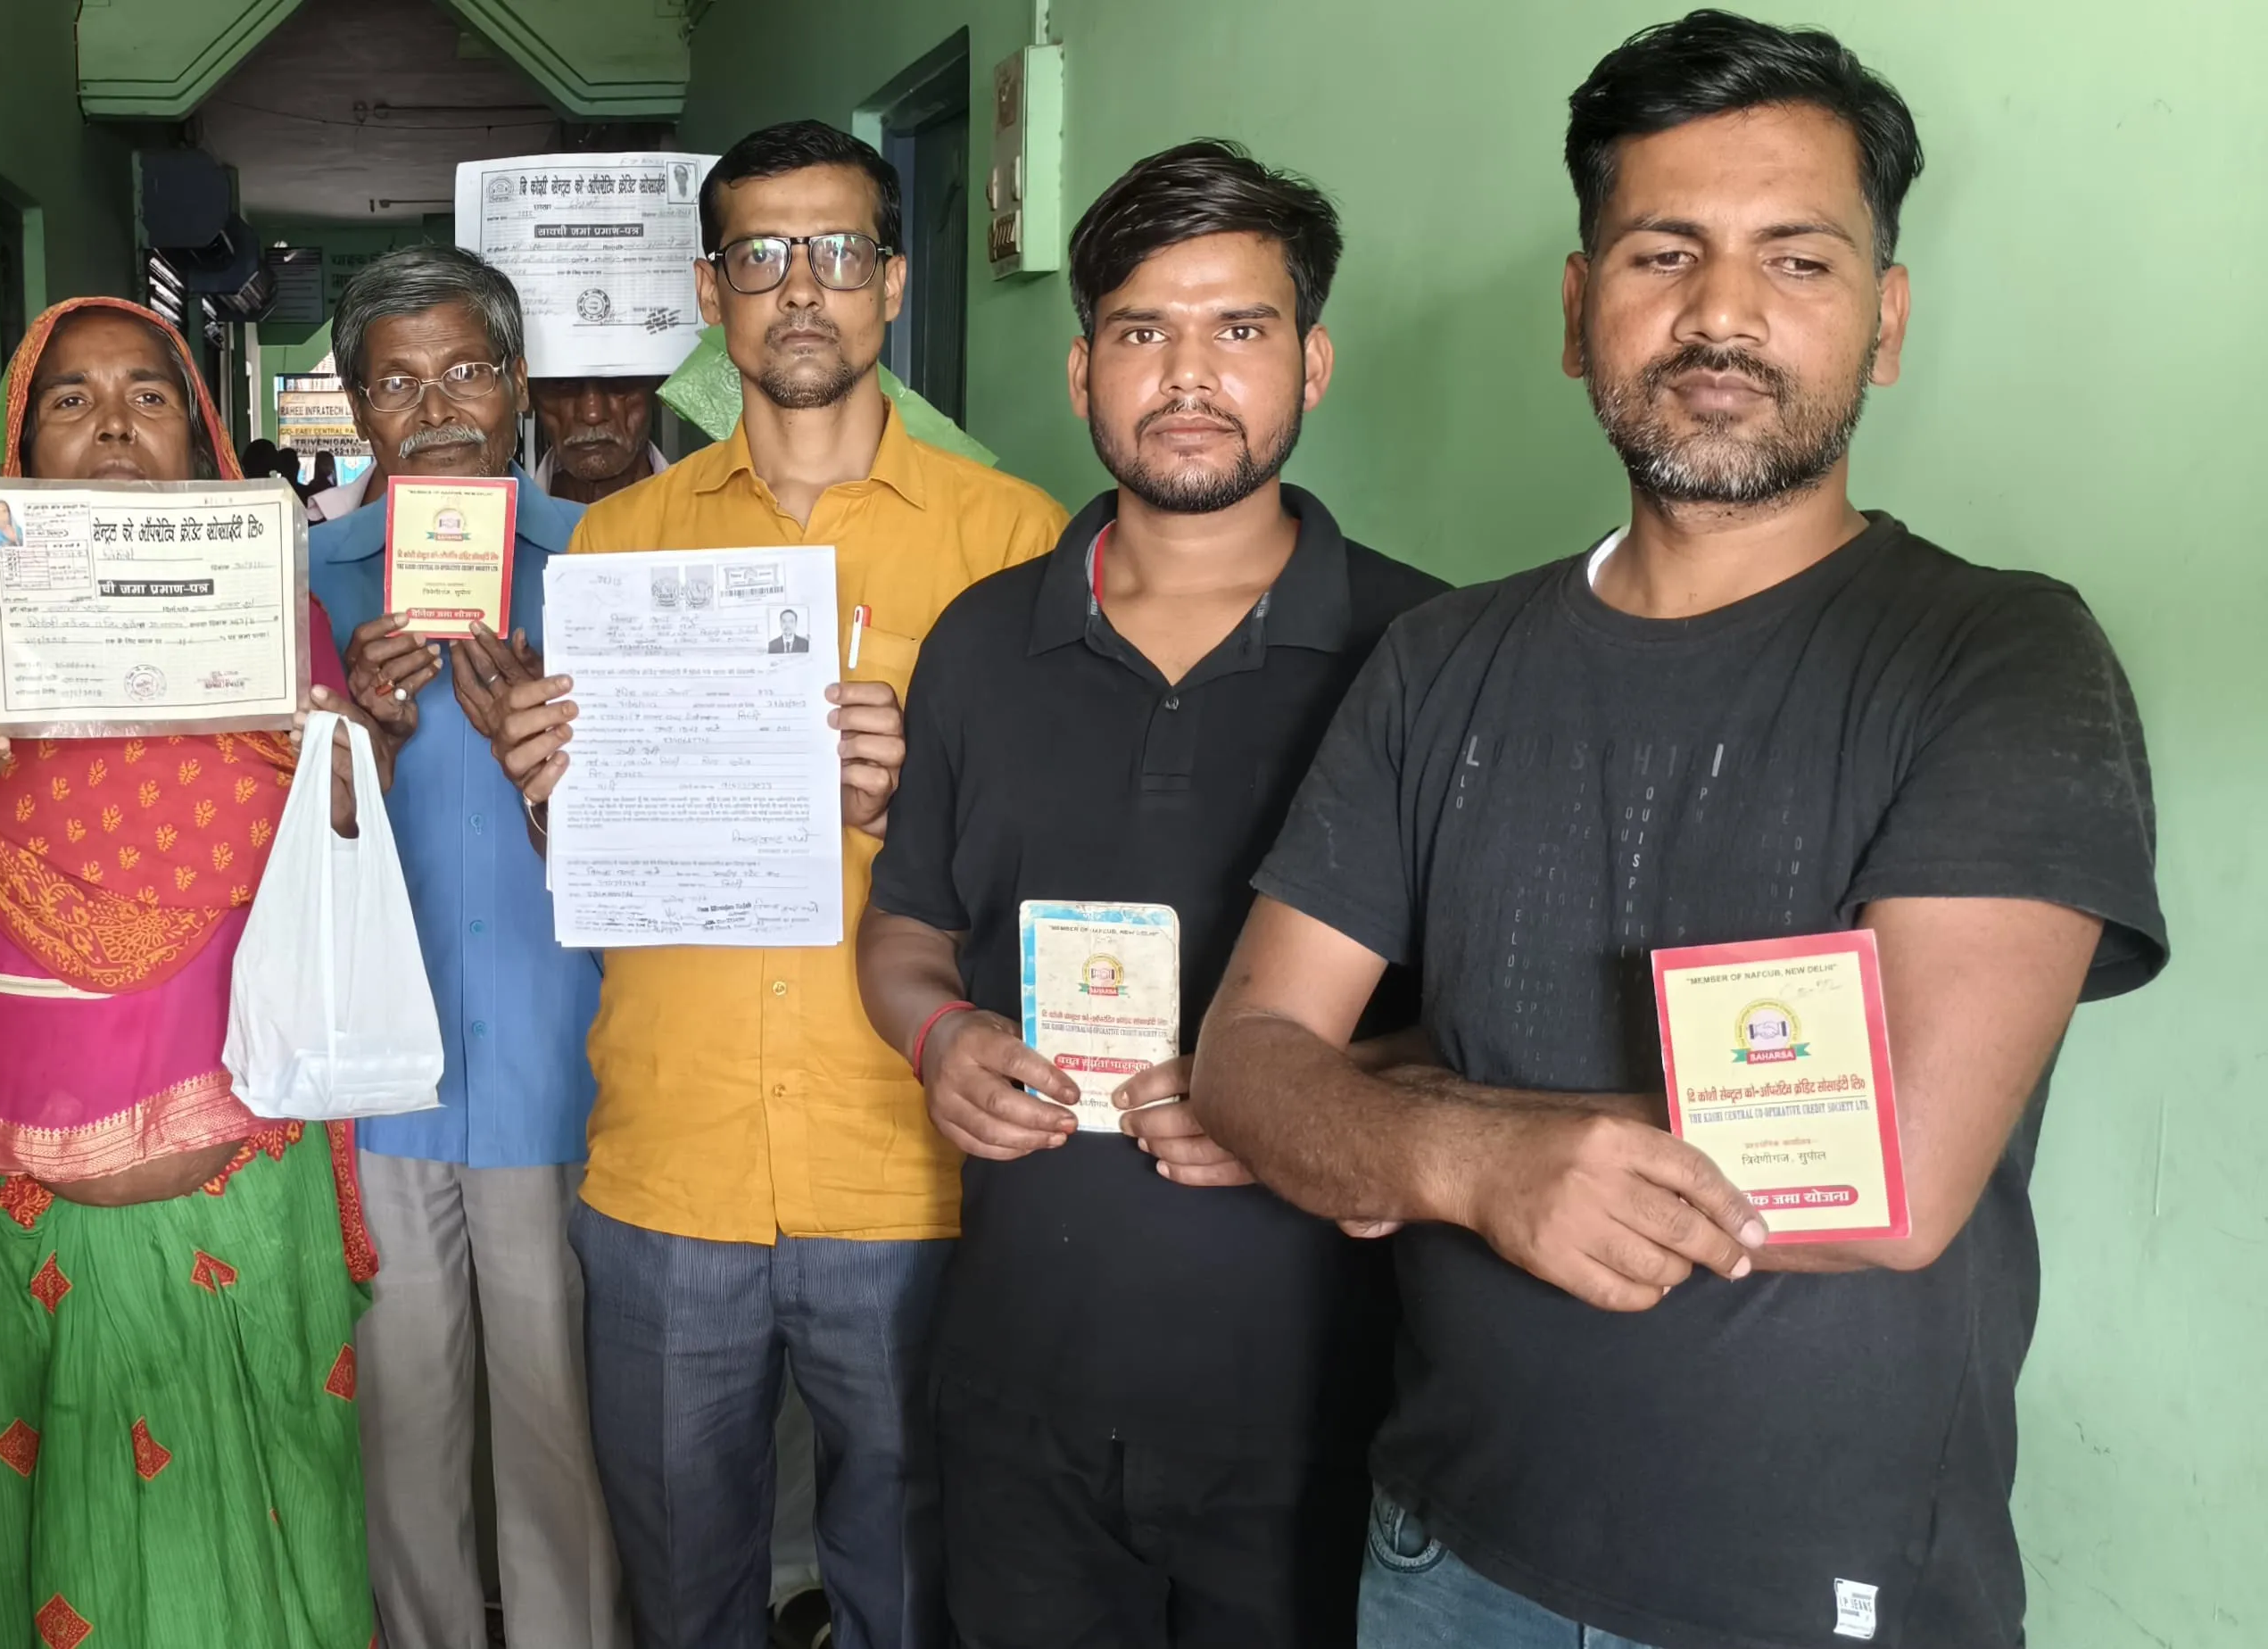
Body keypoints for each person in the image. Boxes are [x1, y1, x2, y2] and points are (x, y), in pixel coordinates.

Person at [1180, 16, 2167, 1649]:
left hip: (1813, 1591)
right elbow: (1246, 1059)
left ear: (1885, 321)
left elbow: (1890, 1177)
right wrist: (1468, 1156)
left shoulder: (1998, 657)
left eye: (1797, 258)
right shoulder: (1438, 662)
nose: (1721, 312)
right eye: (1663, 252)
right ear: (1579, 312)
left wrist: (1411, 1115)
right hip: (1439, 1554)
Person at [856, 141, 1448, 1649]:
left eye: (1239, 327)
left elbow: (1491, 1032)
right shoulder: (981, 643)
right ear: (1082, 373)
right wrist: (936, 1036)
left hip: (1316, 1400)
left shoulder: (1431, 653)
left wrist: (1296, 1100)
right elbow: (907, 927)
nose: (1189, 375)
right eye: (1142, 331)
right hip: (1021, 1384)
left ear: (1311, 362)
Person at [488, 120, 1068, 1649]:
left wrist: (914, 798)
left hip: (911, 1165)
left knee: (916, 1587)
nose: (800, 287)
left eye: (837, 251)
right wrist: (549, 792)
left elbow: (1065, 860)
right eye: (760, 254)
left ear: (892, 283)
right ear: (710, 292)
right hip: (670, 1162)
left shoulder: (1015, 541)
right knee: (685, 1593)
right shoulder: (618, 544)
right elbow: (593, 866)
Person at [0, 295, 385, 1649]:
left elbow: (341, 905)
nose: (111, 429)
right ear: (19, 446)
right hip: (1, 1219)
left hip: (244, 1207)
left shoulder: (278, 629)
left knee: (253, 1569)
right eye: (69, 401)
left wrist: (342, 779)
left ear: (200, 439)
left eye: (148, 396)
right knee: (19, 1570)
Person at [305, 245, 623, 1649]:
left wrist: (555, 757)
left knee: (563, 1422)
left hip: (566, 1062)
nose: (436, 411)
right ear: (357, 409)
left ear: (519, 386)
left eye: (467, 372)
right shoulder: (304, 585)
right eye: (397, 383)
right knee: (404, 1422)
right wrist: (357, 741)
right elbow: (245, 852)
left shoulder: (611, 562)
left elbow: (681, 826)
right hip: (378, 1078)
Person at [531, 374, 667, 507]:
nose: (592, 415)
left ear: (662, 384)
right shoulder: (521, 516)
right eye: (561, 382)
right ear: (526, 392)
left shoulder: (680, 510)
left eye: (620, 378)